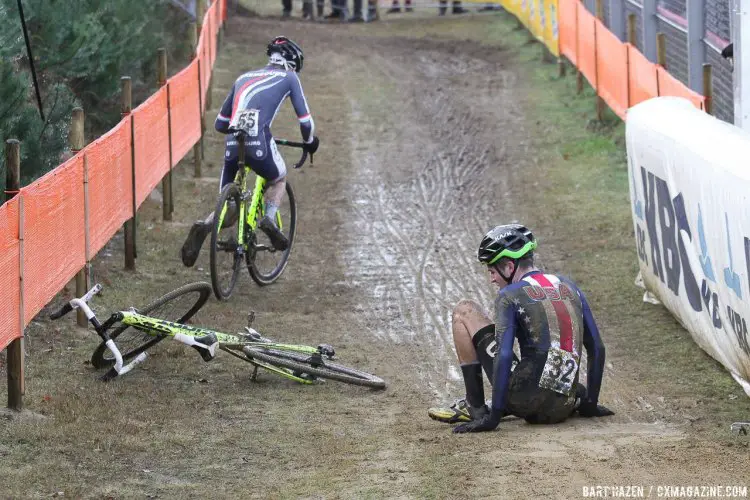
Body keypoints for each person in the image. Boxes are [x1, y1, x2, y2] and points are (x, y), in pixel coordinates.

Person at [427, 223, 614, 433]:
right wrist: (590, 405)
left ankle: (476, 408)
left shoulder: (510, 295)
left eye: (492, 271)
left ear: (508, 266)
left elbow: (504, 355)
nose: (492, 279)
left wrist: (493, 418)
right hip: (565, 403)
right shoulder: (569, 285)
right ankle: (576, 400)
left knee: (464, 311)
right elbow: (597, 348)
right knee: (550, 360)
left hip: (524, 400)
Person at [180, 36, 319, 267]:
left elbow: (219, 124)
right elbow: (306, 123)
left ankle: (204, 226)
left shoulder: (243, 77)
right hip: (259, 144)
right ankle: (269, 219)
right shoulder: (289, 77)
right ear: (291, 63)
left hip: (233, 146)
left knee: (227, 207)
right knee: (279, 177)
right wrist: (309, 142)